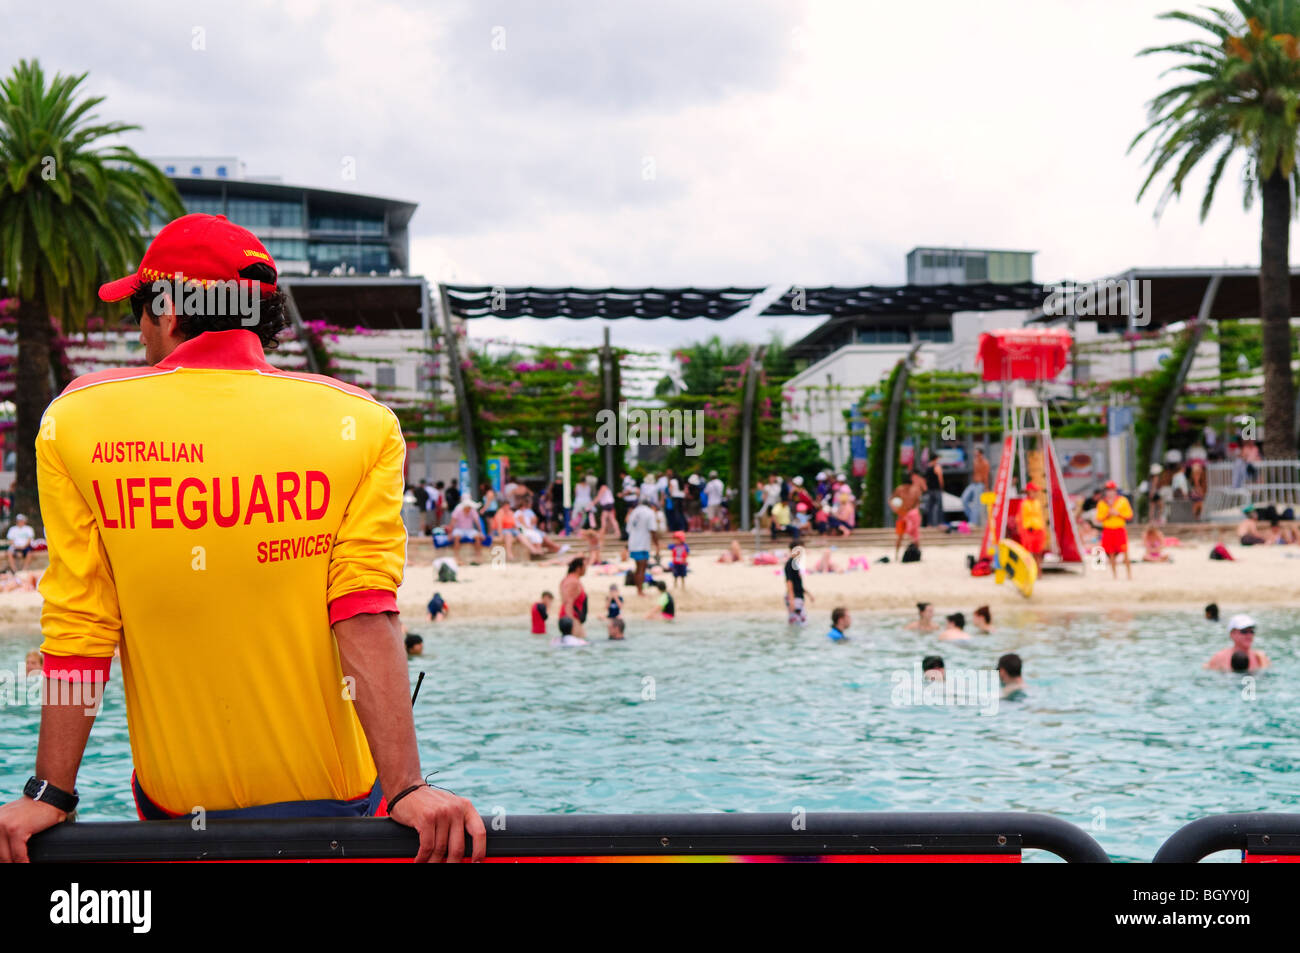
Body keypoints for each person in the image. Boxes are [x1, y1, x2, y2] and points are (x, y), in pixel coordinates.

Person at [0, 213, 484, 863]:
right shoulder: (360, 423)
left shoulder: (78, 422)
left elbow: (81, 622)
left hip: (177, 821)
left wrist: (50, 791)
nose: (139, 333)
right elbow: (364, 609)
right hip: (340, 816)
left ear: (168, 312)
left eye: (139, 313)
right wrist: (407, 787)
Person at [1095, 481, 1133, 580]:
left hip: (1119, 530)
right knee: (1111, 554)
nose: (1110, 492)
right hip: (1108, 530)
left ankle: (1129, 575)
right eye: (1108, 490)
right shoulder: (1102, 503)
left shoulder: (1123, 500)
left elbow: (1129, 516)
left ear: (1115, 491)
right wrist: (1108, 514)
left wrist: (1118, 514)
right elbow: (1098, 518)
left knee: (1125, 552)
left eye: (1112, 490)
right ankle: (1114, 576)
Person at [1205, 613, 1270, 671]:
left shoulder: (1260, 658)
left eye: (1252, 631)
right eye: (1244, 631)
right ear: (1232, 634)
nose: (1249, 635)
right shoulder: (1220, 657)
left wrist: (1263, 664)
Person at [890, 472, 926, 560]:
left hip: (907, 515)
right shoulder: (906, 489)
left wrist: (897, 510)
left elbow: (891, 501)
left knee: (908, 536)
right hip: (906, 515)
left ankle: (913, 554)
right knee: (907, 536)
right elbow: (891, 500)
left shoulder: (903, 489)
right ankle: (899, 555)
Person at [626, 497, 657, 596]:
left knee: (638, 567)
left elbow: (628, 529)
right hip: (642, 543)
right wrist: (656, 543)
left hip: (633, 542)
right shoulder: (649, 512)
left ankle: (639, 589)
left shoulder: (634, 512)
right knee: (641, 568)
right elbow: (652, 529)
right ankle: (640, 591)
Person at [1018, 483, 1047, 569]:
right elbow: (1020, 519)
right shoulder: (1024, 503)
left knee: (1038, 553)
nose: (1035, 493)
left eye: (1035, 491)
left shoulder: (1037, 503)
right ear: (1028, 492)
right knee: (1027, 553)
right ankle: (1028, 570)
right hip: (1028, 531)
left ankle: (1038, 570)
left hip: (1038, 530)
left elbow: (1041, 517)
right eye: (1033, 491)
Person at [559, 557, 589, 640]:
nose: (586, 569)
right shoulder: (572, 582)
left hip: (570, 619)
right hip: (571, 619)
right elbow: (568, 602)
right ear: (578, 568)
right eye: (585, 567)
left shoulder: (568, 579)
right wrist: (571, 624)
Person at [449, 498, 485, 564]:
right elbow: (452, 523)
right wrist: (450, 534)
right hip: (459, 529)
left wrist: (481, 532)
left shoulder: (472, 511)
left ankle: (478, 556)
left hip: (469, 530)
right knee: (457, 537)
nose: (470, 509)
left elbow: (477, 522)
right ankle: (456, 556)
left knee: (477, 537)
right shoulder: (458, 510)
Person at [783, 540, 810, 625]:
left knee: (799, 622)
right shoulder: (790, 564)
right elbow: (789, 582)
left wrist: (808, 594)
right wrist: (791, 601)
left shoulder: (795, 564)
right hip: (794, 597)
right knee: (799, 622)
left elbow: (797, 583)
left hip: (797, 596)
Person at [963, 447, 990, 526]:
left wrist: (986, 487)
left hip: (980, 485)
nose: (976, 456)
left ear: (981, 455)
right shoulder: (975, 462)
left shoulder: (985, 463)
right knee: (964, 499)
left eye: (977, 455)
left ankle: (973, 522)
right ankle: (972, 518)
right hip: (973, 484)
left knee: (976, 504)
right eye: (975, 455)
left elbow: (986, 476)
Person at [923, 456, 945, 527]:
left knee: (930, 507)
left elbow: (925, 479)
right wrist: (942, 487)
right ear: (935, 459)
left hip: (930, 490)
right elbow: (940, 478)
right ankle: (940, 523)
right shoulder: (937, 467)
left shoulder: (927, 468)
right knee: (939, 507)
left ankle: (929, 524)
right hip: (937, 489)